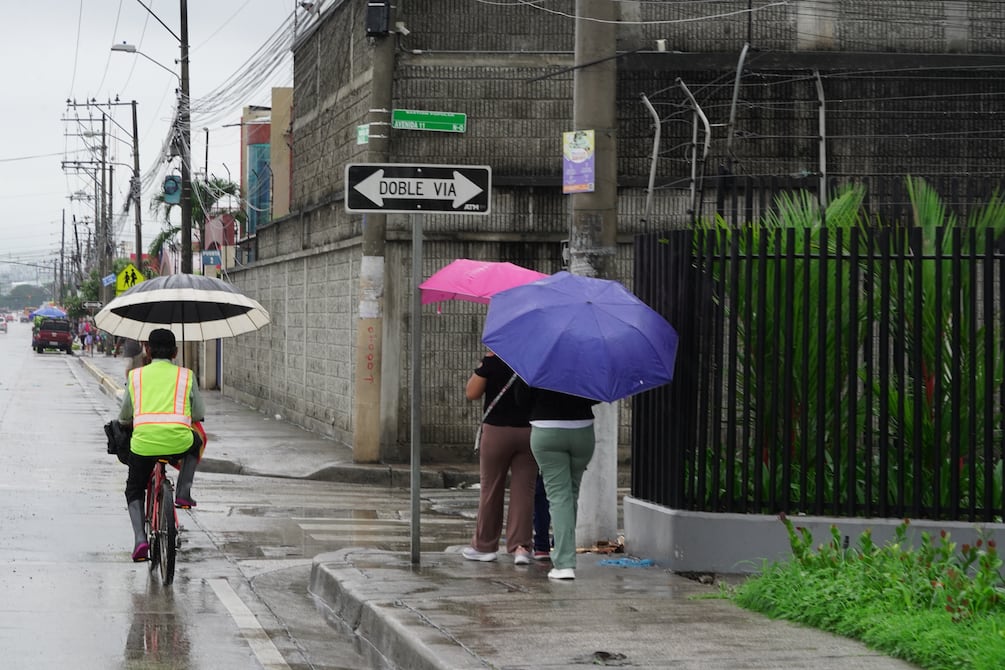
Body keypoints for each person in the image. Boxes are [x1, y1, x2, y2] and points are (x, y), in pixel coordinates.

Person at [118, 328, 205, 562]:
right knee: (196, 439)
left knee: (134, 488)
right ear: (175, 352)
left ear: (147, 350)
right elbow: (199, 413)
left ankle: (139, 539)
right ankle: (184, 492)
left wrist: (129, 421)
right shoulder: (187, 376)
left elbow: (125, 415)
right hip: (179, 441)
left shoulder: (135, 376)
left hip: (143, 445)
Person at [462, 351, 537, 565]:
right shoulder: (532, 359)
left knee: (491, 487)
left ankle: (484, 546)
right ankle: (521, 547)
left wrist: (484, 364)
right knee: (524, 491)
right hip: (528, 432)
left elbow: (472, 392)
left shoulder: (494, 359)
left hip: (496, 432)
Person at [523, 387, 600, 580]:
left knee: (559, 496)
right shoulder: (586, 360)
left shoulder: (538, 358)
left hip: (546, 428)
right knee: (571, 494)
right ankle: (564, 552)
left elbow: (520, 397)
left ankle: (564, 562)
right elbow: (596, 396)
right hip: (583, 429)